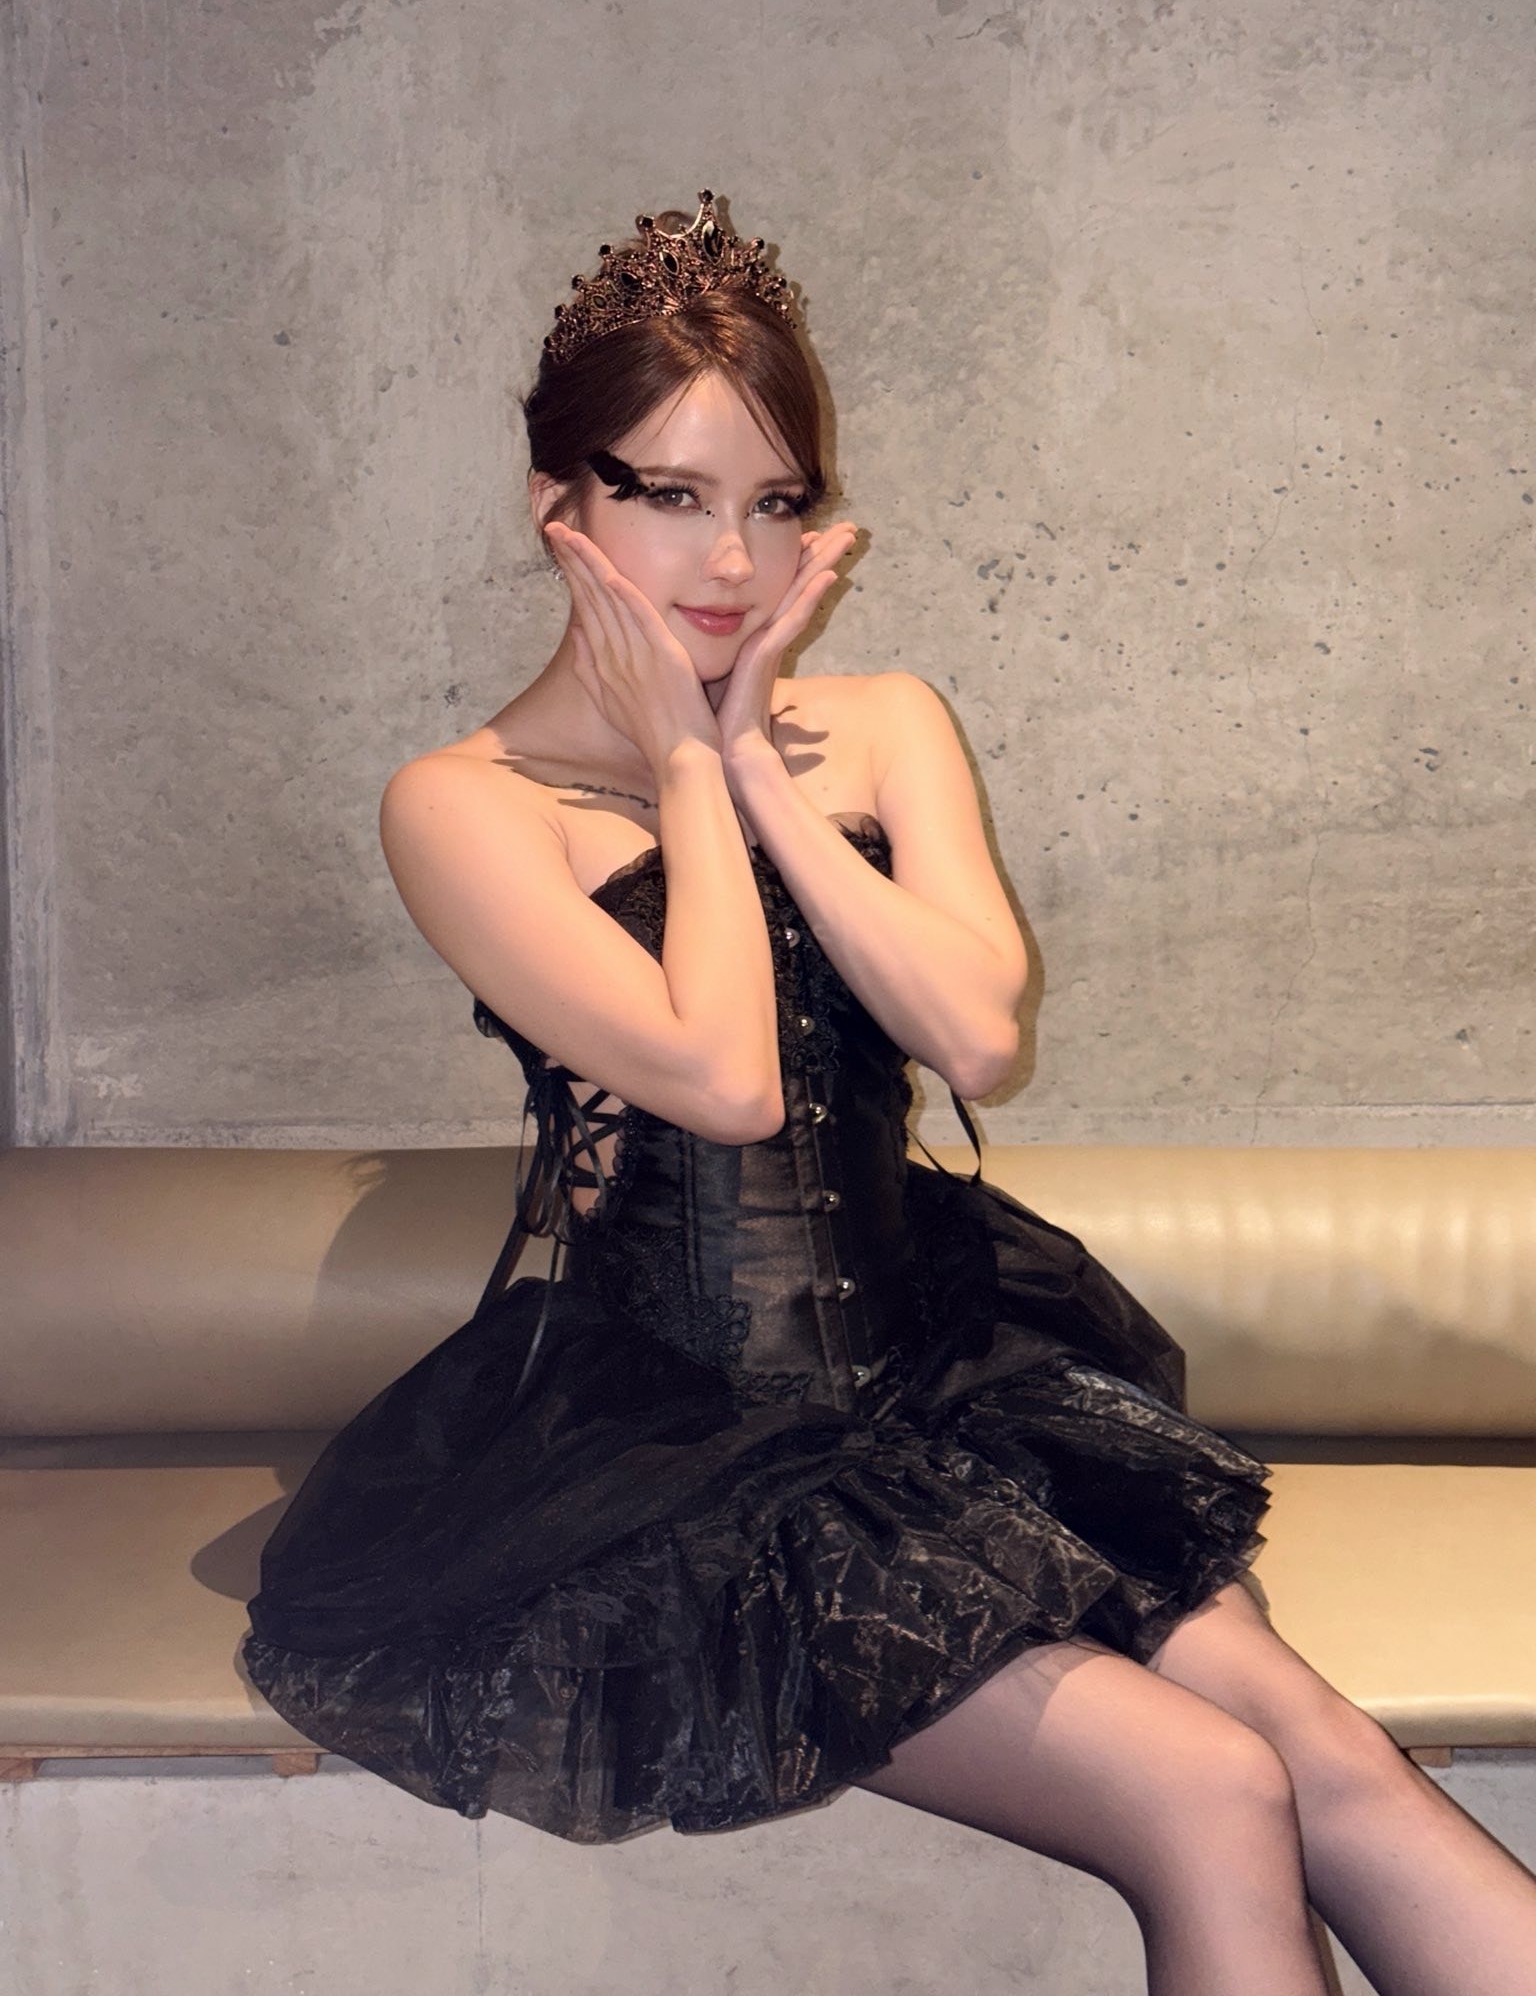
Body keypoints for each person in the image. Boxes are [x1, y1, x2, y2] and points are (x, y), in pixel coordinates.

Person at [242, 191, 1536, 1994]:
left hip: (944, 1380)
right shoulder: (462, 805)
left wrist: (766, 779)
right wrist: (686, 766)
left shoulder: (886, 723)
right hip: (675, 1453)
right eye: (672, 494)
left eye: (777, 502)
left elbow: (978, 1036)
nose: (732, 557)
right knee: (1210, 1790)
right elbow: (722, 1079)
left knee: (1324, 1754)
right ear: (559, 508)